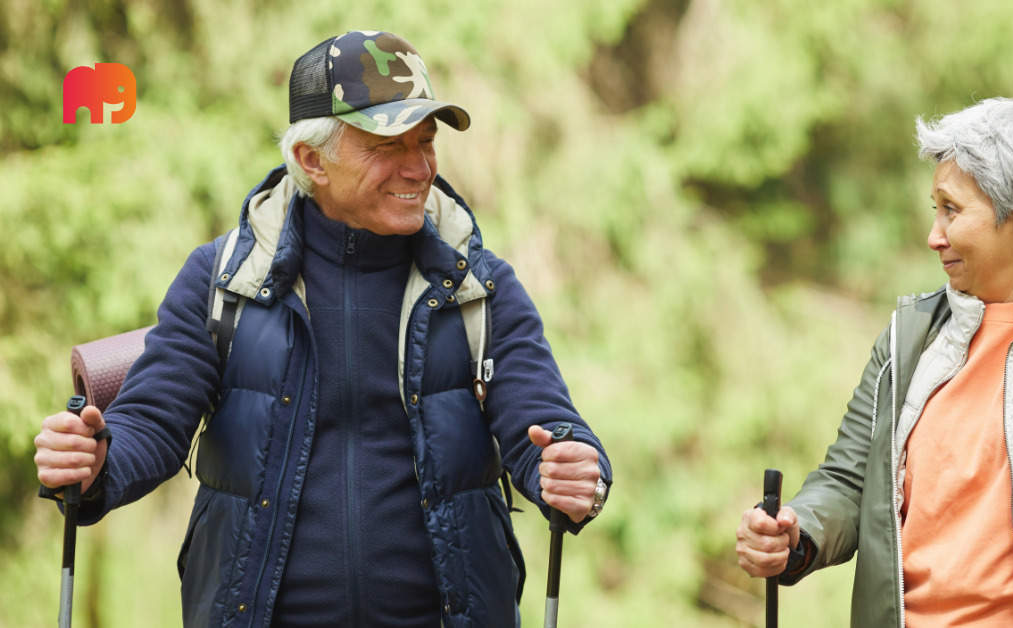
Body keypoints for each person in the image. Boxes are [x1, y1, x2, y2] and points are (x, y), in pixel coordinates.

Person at [34, 30, 612, 628]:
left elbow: (545, 425)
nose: (419, 167)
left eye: (426, 141)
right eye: (389, 146)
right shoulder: (222, 279)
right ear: (312, 160)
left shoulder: (481, 285)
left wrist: (575, 465)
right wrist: (95, 461)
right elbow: (150, 421)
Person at [735, 98, 1013, 627]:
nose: (934, 236)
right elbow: (850, 480)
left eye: (952, 210)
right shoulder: (911, 335)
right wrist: (797, 533)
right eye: (936, 210)